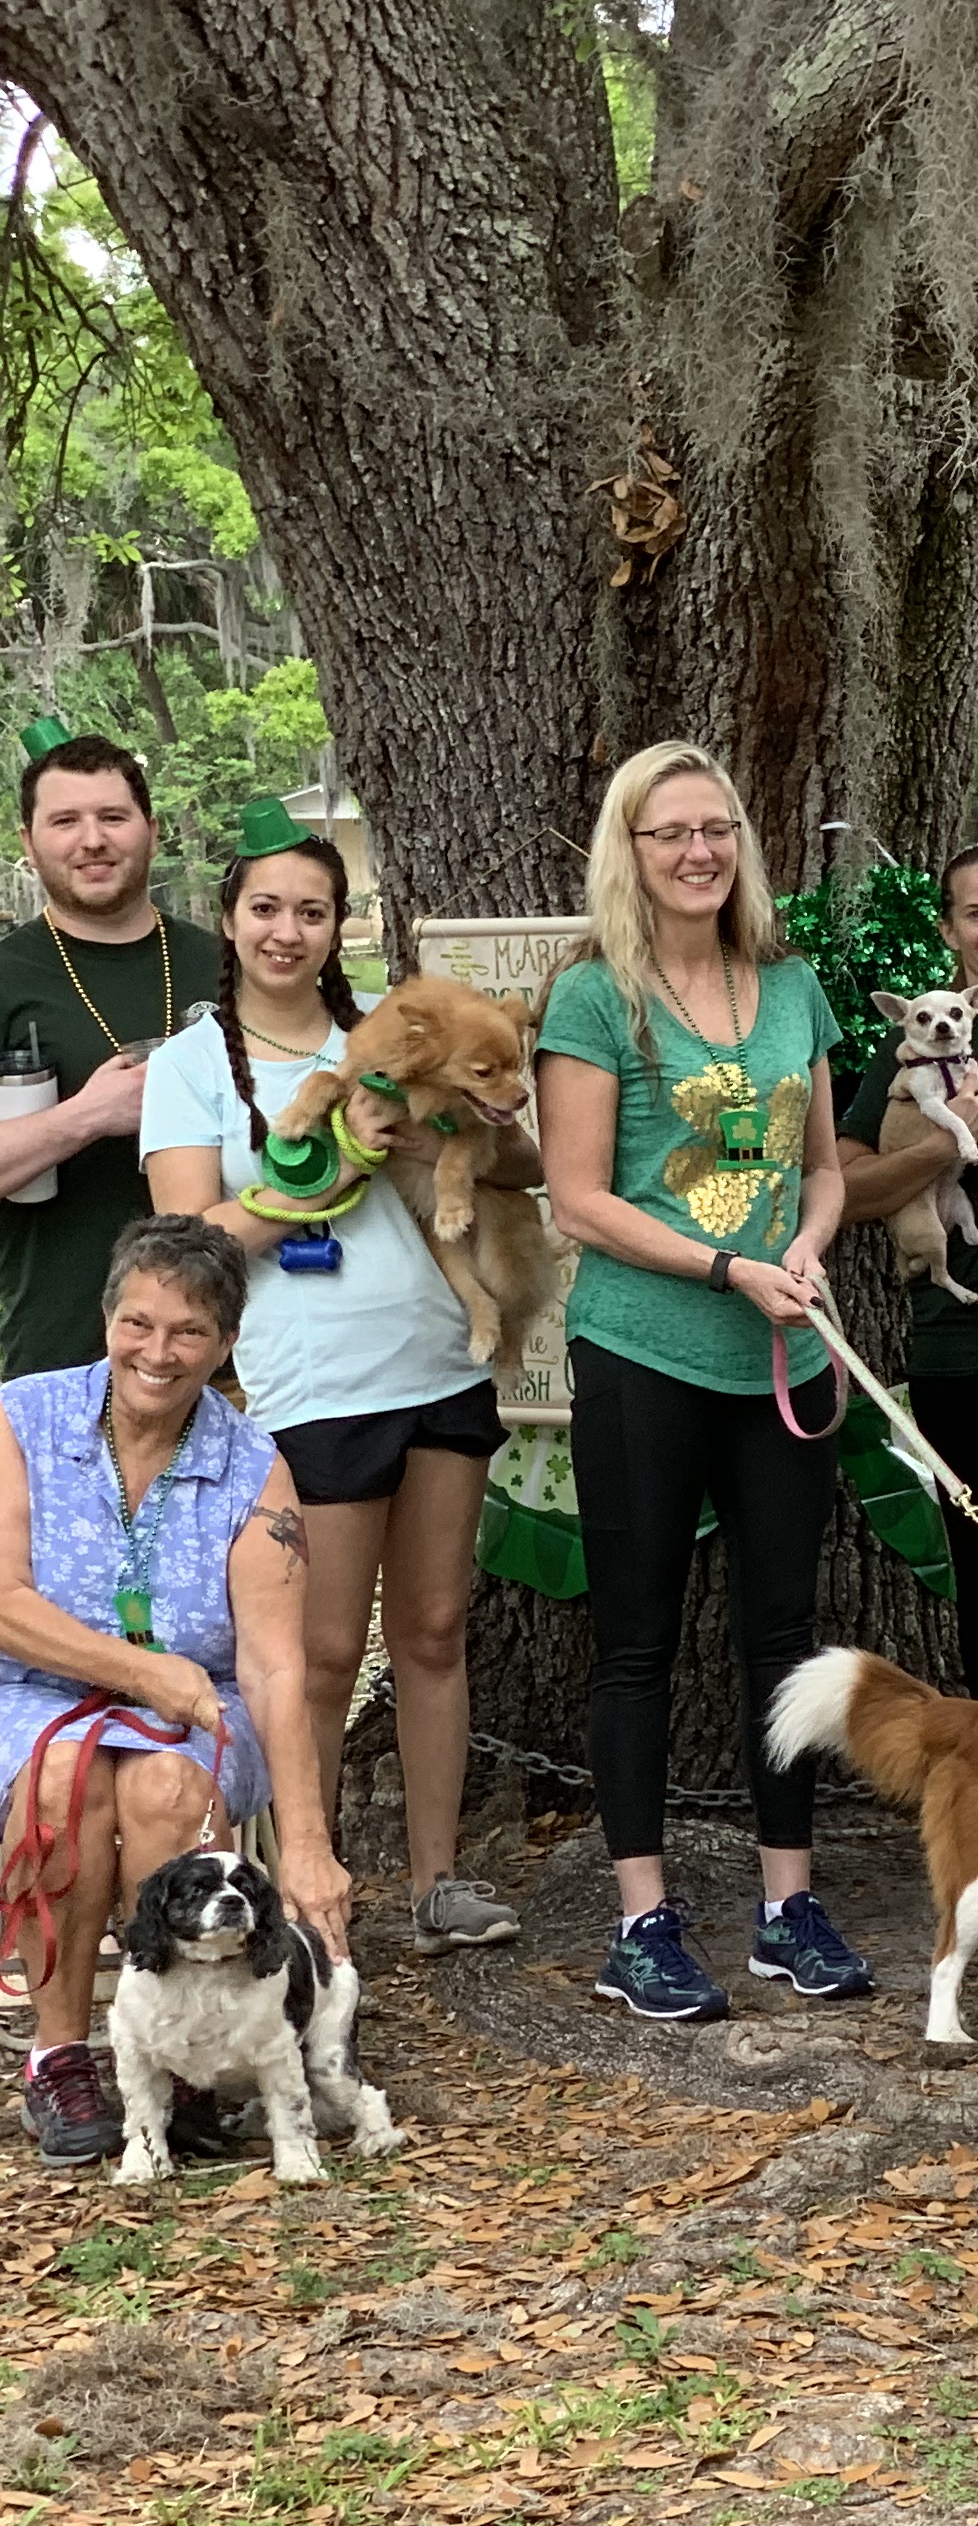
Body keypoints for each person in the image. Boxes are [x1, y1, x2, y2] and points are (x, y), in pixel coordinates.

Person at [141, 801, 523, 1953]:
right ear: (228, 917)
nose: (289, 930)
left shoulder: (397, 1033)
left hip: (438, 1360)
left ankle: (436, 1881)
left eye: (313, 910)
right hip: (308, 1381)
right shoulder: (192, 1063)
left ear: (339, 925)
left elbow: (522, 1161)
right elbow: (183, 1240)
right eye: (267, 907)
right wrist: (311, 1183)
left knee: (438, 1628)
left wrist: (424, 1143)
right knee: (313, 1655)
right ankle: (295, 1887)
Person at [539, 740, 868, 2025]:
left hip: (779, 1351)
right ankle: (643, 1920)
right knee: (639, 1642)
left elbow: (829, 1165)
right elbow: (577, 1198)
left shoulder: (787, 984)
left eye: (717, 828)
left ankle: (789, 1905)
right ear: (631, 850)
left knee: (782, 1641)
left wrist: (806, 1240)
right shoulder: (593, 998)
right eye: (669, 832)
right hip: (644, 1352)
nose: (697, 852)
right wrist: (724, 1264)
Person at [2, 1219, 358, 2164]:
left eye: (188, 1332)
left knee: (163, 1787)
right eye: (138, 1322)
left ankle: (187, 2068)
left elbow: (277, 1667)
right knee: (64, 1773)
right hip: (34, 1691)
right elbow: (2, 1604)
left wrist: (313, 1852)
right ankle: (62, 2056)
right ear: (108, 1316)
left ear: (227, 1344)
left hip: (197, 1709)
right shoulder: (19, 1417)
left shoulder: (254, 1467)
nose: (157, 1352)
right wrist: (140, 1672)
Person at [835, 840, 978, 1699]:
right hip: (961, 1345)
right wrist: (943, 1140)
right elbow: (848, 1190)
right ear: (950, 930)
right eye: (975, 912)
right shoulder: (906, 1057)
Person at [0, 729, 227, 1380]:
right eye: (65, 820)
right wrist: (86, 1117)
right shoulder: (8, 975)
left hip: (234, 1357)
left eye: (113, 817)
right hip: (62, 1354)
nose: (92, 839)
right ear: (29, 842)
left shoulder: (226, 965)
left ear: (152, 831)